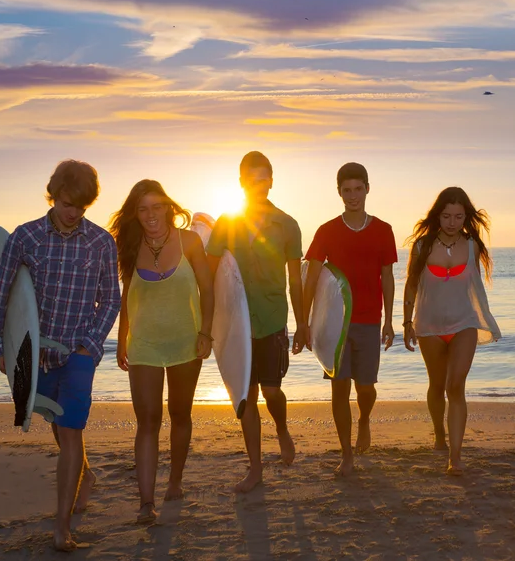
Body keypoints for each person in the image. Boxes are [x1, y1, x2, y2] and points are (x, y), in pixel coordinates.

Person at [0, 159, 121, 551]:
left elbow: (111, 300)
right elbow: (3, 292)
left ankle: (62, 526)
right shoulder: (25, 237)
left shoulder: (100, 242)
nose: (72, 212)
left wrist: (90, 346)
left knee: (71, 427)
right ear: (53, 195)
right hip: (37, 354)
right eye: (65, 203)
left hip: (78, 352)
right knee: (56, 424)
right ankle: (85, 476)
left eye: (80, 206)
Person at [110, 180, 213, 523]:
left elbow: (207, 290)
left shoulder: (190, 242)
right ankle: (145, 503)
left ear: (169, 207)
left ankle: (176, 480)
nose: (150, 215)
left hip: (186, 341)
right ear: (134, 214)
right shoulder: (130, 245)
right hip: (144, 345)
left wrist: (206, 333)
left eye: (157, 206)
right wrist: (123, 337)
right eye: (142, 209)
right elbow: (127, 295)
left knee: (180, 414)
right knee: (148, 421)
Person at [206, 151, 306, 493]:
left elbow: (296, 280)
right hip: (236, 324)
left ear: (272, 181)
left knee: (272, 390)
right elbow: (211, 273)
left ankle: (281, 428)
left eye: (264, 179)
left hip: (272, 318)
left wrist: (303, 323)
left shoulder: (287, 225)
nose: (258, 185)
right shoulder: (227, 223)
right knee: (246, 397)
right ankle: (256, 468)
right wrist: (207, 323)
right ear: (242, 183)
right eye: (252, 179)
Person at [303, 162, 397, 476]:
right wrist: (304, 323)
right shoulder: (327, 231)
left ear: (368, 189)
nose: (353, 196)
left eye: (358, 189)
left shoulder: (383, 230)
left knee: (366, 387)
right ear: (339, 192)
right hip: (336, 323)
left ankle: (365, 419)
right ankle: (346, 454)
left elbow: (387, 276)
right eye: (347, 190)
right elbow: (312, 276)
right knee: (339, 388)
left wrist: (389, 320)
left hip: (371, 320)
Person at [402, 186, 501, 476]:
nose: (452, 222)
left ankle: (454, 458)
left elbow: (476, 289)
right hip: (429, 327)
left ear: (465, 217)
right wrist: (406, 323)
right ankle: (439, 435)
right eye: (446, 215)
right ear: (438, 215)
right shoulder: (421, 246)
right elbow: (410, 285)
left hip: (464, 324)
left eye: (458, 216)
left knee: (454, 385)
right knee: (436, 384)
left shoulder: (472, 246)